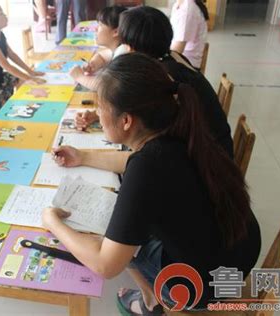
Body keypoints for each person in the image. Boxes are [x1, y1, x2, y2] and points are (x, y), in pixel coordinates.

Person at [44, 53, 261, 314]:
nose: (97, 114)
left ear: (126, 120)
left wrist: (52, 222)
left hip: (206, 285)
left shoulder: (149, 166)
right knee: (127, 224)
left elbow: (106, 265)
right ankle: (150, 294)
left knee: (114, 236)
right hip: (241, 250)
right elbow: (135, 161)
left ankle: (152, 298)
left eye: (100, 107)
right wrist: (84, 156)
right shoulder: (180, 128)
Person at [75, 6, 233, 157]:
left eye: (123, 44)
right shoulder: (170, 57)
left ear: (130, 49)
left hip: (207, 169)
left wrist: (82, 156)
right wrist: (100, 115)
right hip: (215, 154)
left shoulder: (161, 80)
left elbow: (145, 158)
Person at [69, 5, 128, 91]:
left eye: (100, 25)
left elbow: (106, 87)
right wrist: (94, 64)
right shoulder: (120, 47)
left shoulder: (123, 53)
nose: (95, 29)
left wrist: (79, 76)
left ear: (116, 32)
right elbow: (102, 55)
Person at [170, 0, 209, 69]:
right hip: (181, 60)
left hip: (186, 65)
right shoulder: (180, 4)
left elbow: (176, 53)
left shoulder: (187, 10)